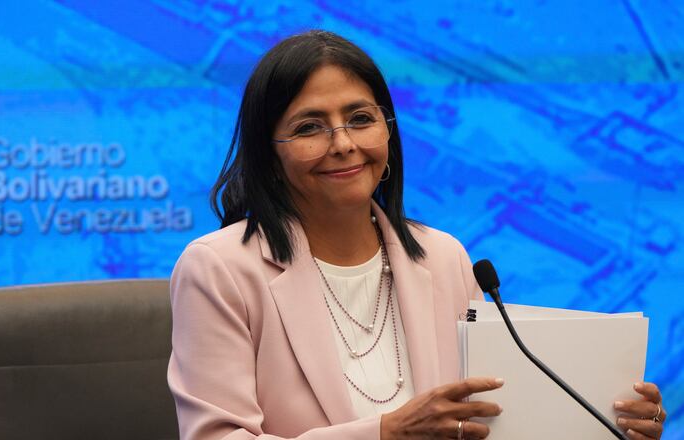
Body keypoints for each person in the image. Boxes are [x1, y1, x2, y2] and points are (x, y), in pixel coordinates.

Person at [167, 30, 666, 440]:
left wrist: (609, 421)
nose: (343, 144)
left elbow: (492, 418)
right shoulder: (219, 268)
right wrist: (384, 433)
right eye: (310, 127)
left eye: (360, 119)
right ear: (269, 153)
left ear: (388, 132)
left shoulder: (444, 257)